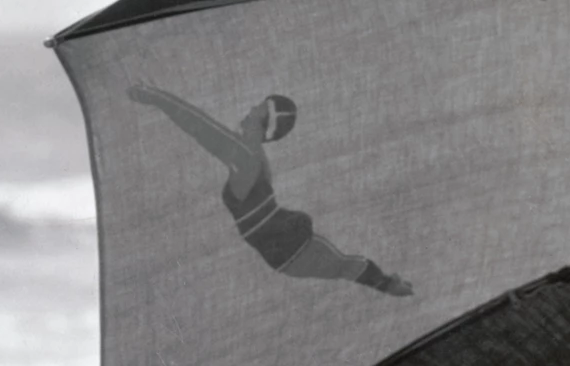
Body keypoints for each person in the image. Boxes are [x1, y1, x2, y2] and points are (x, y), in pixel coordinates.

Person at [128, 82, 414, 296]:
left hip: (293, 249)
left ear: (265, 124)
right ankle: (387, 284)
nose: (250, 110)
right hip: (288, 254)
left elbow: (199, 126)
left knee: (345, 266)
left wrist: (156, 98)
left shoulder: (246, 156)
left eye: (258, 109)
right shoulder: (252, 158)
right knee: (345, 266)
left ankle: (387, 283)